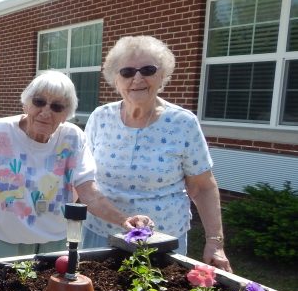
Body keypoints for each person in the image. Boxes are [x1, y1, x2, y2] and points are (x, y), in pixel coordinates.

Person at [81, 35, 232, 271]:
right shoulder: (100, 117)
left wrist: (215, 242)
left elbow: (203, 187)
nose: (137, 78)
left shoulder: (182, 123)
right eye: (127, 72)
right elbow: (84, 177)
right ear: (115, 79)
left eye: (148, 70)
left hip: (161, 241)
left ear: (162, 76)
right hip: (101, 233)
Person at [0, 70, 152, 259]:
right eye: (38, 102)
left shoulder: (73, 138)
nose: (46, 112)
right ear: (25, 105)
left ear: (66, 115)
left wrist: (125, 220)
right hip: (4, 242)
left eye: (57, 107)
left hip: (56, 244)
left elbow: (89, 193)